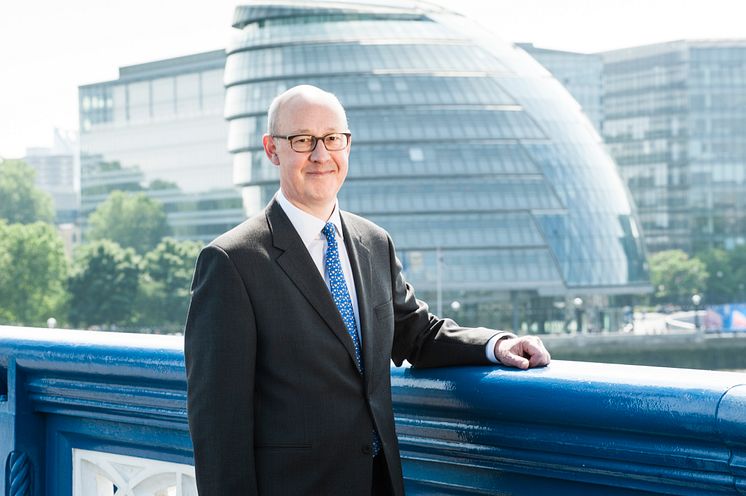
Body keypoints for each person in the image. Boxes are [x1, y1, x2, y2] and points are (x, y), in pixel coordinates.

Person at [184, 84, 551, 495]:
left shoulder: (373, 242)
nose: (321, 155)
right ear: (272, 149)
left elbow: (417, 334)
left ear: (348, 145)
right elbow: (218, 427)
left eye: (333, 139)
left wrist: (495, 345)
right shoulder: (232, 262)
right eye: (303, 140)